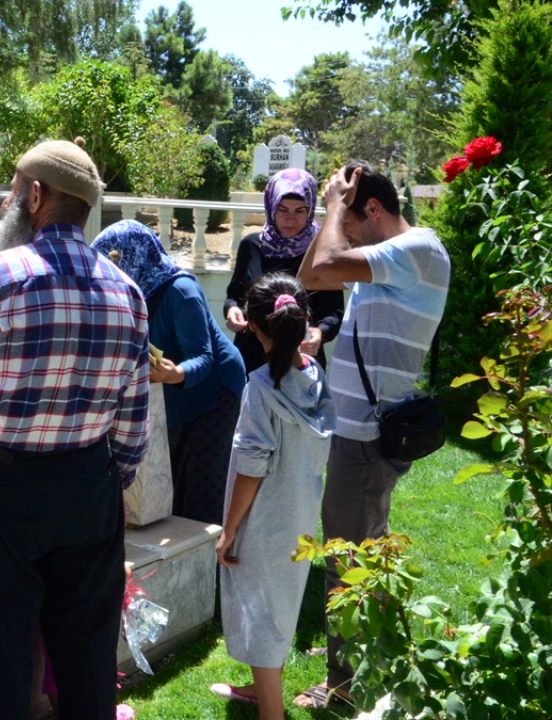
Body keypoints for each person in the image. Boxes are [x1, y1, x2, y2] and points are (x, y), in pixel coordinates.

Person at [0, 140, 150, 720]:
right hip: (88, 486)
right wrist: (106, 483)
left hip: (1, 494)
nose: (5, 201)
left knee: (2, 653)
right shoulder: (129, 293)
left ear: (37, 196)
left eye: (14, 188)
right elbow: (133, 421)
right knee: (89, 656)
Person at [293, 162, 450, 709]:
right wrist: (331, 211)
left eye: (352, 220)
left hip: (365, 439)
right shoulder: (392, 261)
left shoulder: (417, 252)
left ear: (374, 211)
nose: (346, 231)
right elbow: (312, 272)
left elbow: (320, 271)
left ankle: (345, 687)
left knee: (347, 553)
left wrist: (334, 205)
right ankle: (369, 653)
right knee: (367, 546)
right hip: (359, 431)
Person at [211, 273, 335, 720]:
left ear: (255, 327)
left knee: (261, 613)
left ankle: (271, 713)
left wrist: (229, 530)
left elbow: (251, 467)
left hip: (263, 520)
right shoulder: (316, 374)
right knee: (278, 605)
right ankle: (262, 689)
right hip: (300, 512)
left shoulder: (260, 388)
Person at [92, 220, 246, 526]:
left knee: (201, 489)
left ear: (135, 257)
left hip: (214, 394)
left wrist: (176, 374)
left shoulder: (182, 290)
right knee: (169, 484)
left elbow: (203, 357)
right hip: (172, 392)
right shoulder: (125, 295)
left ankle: (209, 564)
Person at [223, 169, 344, 372]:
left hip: (301, 362)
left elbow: (333, 312)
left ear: (311, 209)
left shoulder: (320, 251)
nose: (290, 219)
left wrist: (319, 333)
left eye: (299, 211)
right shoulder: (251, 245)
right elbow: (234, 294)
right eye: (283, 210)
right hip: (251, 359)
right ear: (271, 207)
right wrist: (231, 310)